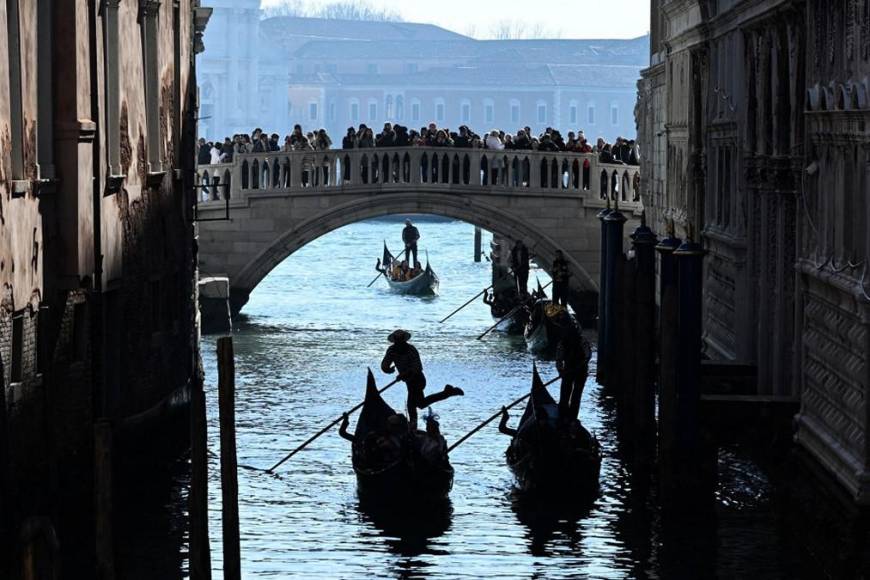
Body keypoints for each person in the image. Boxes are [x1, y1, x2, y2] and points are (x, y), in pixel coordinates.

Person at [381, 330, 463, 428]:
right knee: (420, 404)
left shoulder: (411, 350)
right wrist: (388, 369)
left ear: (404, 340)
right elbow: (385, 364)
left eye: (401, 341)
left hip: (418, 379)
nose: (399, 343)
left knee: (411, 405)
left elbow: (417, 367)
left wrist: (404, 374)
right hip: (408, 382)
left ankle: (413, 426)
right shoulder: (391, 351)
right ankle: (447, 393)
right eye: (397, 341)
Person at [555, 327, 588, 421]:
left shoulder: (579, 341)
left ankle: (568, 417)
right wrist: (560, 371)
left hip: (579, 371)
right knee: (569, 396)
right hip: (569, 371)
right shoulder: (565, 342)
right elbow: (559, 359)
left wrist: (560, 371)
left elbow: (587, 356)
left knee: (573, 396)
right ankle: (566, 417)